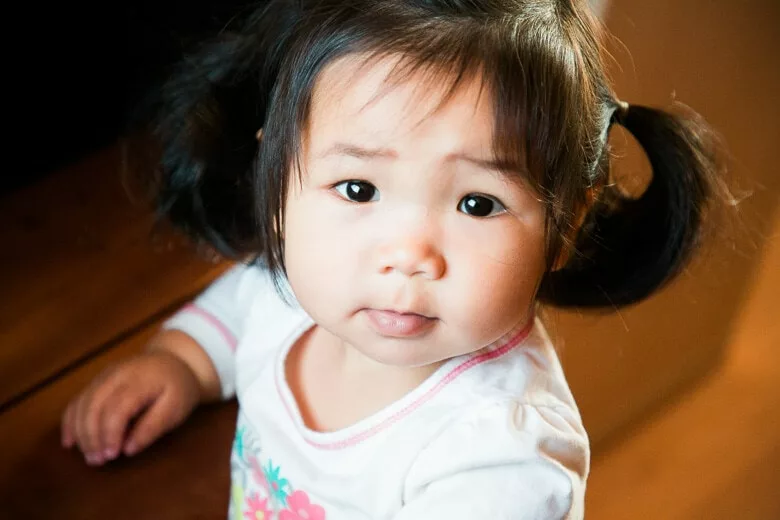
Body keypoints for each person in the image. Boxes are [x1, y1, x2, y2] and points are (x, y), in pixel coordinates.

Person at [60, 1, 723, 517]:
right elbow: (238, 309)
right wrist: (181, 362)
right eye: (358, 189)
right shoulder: (301, 285)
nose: (408, 255)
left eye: (477, 204)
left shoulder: (498, 461)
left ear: (565, 224)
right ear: (277, 175)